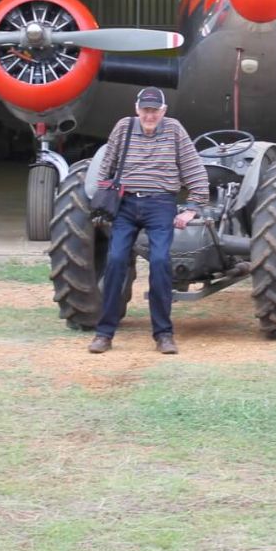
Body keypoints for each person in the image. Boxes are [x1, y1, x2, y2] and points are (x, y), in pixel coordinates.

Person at [88, 87, 210, 355]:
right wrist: (102, 200)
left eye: (155, 110)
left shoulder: (175, 130)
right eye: (145, 109)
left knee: (159, 262)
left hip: (160, 204)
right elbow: (106, 166)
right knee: (116, 260)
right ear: (137, 109)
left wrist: (192, 207)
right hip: (127, 204)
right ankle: (104, 333)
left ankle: (164, 334)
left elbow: (194, 169)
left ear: (163, 111)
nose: (149, 115)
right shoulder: (124, 128)